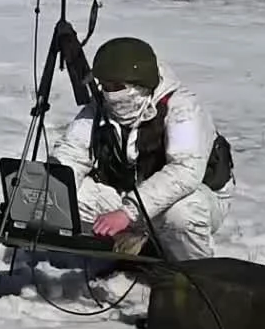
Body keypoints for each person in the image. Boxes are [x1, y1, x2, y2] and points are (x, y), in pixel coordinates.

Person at [49, 36, 234, 262]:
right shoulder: (102, 106)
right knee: (68, 195)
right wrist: (46, 190)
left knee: (182, 212)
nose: (107, 92)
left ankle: (192, 276)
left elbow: (185, 172)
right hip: (132, 197)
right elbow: (72, 152)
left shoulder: (183, 109)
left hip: (196, 199)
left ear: (139, 84)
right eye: (104, 85)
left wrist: (128, 212)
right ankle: (139, 252)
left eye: (115, 87)